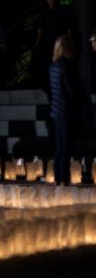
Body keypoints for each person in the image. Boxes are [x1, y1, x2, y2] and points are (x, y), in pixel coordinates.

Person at [49, 35, 80, 185]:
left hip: (56, 110)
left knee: (59, 147)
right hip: (66, 110)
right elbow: (72, 90)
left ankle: (58, 179)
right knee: (66, 148)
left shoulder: (53, 66)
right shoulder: (66, 66)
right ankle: (64, 180)